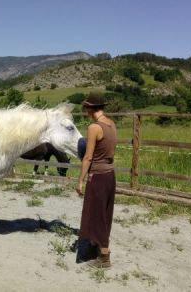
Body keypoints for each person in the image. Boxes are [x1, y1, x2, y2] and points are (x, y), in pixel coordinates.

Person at [76, 91, 117, 269]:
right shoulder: (111, 124)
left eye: (86, 108)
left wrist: (80, 180)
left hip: (98, 177)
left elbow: (88, 157)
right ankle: (93, 247)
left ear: (90, 109)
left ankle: (104, 256)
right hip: (110, 175)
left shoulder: (94, 127)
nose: (85, 111)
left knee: (97, 215)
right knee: (102, 213)